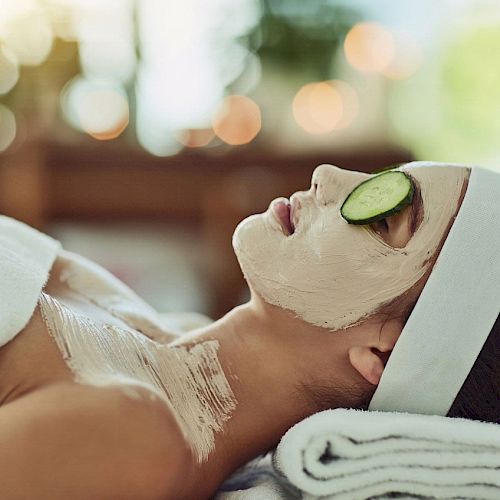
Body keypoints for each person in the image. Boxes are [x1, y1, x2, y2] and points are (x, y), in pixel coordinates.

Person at [0, 162, 497, 500]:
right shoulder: (143, 323)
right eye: (380, 177)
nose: (327, 176)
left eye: (385, 219)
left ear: (382, 355)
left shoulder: (134, 436)